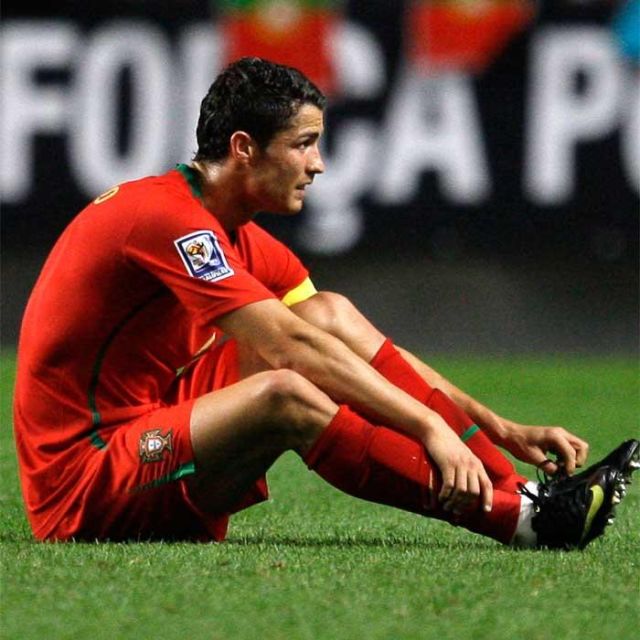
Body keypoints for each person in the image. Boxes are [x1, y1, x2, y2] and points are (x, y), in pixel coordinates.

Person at [13, 57, 638, 547]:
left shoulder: (234, 233)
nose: (318, 164)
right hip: (85, 479)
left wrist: (497, 427)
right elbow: (290, 349)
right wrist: (427, 427)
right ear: (244, 148)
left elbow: (333, 338)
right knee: (285, 390)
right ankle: (518, 522)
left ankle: (527, 498)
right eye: (303, 143)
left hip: (153, 422)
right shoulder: (165, 219)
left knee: (327, 314)